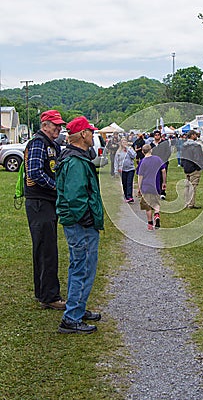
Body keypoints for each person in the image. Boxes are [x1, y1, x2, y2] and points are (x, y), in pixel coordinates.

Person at [56, 116, 104, 334]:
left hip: (78, 222)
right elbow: (75, 196)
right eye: (91, 132)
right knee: (82, 268)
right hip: (80, 224)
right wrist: (86, 219)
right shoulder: (75, 161)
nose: (93, 136)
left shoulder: (74, 157)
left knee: (80, 265)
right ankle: (72, 317)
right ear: (83, 135)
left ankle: (78, 307)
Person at [24, 109, 66, 310]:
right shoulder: (39, 143)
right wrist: (56, 186)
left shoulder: (51, 144)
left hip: (45, 202)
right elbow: (34, 172)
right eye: (55, 124)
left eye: (59, 124)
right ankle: (49, 296)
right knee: (46, 249)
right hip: (39, 202)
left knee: (46, 247)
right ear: (44, 125)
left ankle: (44, 292)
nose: (59, 127)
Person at [137, 144, 166, 231]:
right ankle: (157, 214)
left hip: (146, 186)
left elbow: (140, 176)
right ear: (151, 150)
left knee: (147, 206)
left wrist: (139, 187)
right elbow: (163, 170)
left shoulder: (143, 161)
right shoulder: (157, 159)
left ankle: (150, 223)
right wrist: (164, 182)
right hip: (156, 185)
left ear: (142, 151)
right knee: (156, 203)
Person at [181, 130, 203, 209]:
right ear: (192, 135)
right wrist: (199, 167)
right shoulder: (196, 146)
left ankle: (186, 202)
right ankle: (191, 204)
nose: (196, 136)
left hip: (186, 167)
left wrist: (183, 165)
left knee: (187, 186)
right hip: (194, 168)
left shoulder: (184, 146)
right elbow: (198, 157)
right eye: (195, 135)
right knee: (193, 186)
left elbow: (182, 157)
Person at [114, 138, 137, 203]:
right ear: (121, 143)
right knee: (124, 183)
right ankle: (126, 195)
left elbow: (134, 156)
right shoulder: (118, 151)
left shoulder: (130, 149)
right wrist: (116, 170)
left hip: (130, 169)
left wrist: (127, 149)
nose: (124, 143)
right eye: (123, 142)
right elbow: (116, 161)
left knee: (129, 183)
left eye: (125, 142)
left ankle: (129, 197)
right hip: (122, 170)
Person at [151, 130, 171, 199]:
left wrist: (163, 160)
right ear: (154, 136)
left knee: (163, 177)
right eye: (155, 135)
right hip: (154, 163)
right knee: (156, 177)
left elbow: (168, 152)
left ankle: (163, 192)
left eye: (158, 135)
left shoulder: (164, 143)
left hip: (163, 162)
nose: (157, 136)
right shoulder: (151, 144)